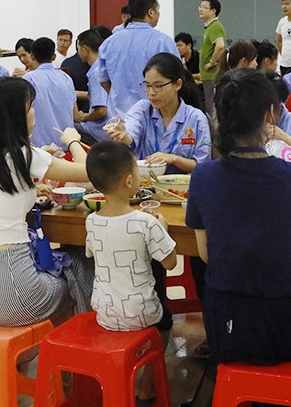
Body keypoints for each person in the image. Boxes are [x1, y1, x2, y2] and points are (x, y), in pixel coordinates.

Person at [183, 68, 291, 407]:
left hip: (225, 330)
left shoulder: (202, 176)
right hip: (290, 329)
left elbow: (206, 255)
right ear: (269, 115)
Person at [0, 77, 93, 327]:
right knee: (80, 264)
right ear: (14, 115)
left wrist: (31, 186)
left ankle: (39, 345)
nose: (34, 113)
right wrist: (73, 140)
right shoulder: (26, 156)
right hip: (15, 293)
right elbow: (90, 171)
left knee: (62, 265)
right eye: (31, 107)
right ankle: (75, 342)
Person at [84, 141, 177, 404]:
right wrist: (163, 229)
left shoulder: (91, 221)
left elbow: (91, 252)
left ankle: (117, 375)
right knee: (165, 323)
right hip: (141, 313)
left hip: (104, 312)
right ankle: (146, 386)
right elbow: (170, 263)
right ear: (129, 181)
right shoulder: (146, 222)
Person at [105, 53, 211, 174]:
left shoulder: (196, 118)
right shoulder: (142, 109)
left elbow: (203, 165)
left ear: (178, 84)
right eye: (147, 85)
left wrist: (174, 159)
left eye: (158, 86)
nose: (151, 92)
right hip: (145, 183)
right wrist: (123, 135)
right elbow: (130, 134)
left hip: (182, 184)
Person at [98, 0, 181, 120]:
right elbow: (177, 78)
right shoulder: (163, 42)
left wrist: (119, 95)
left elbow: (103, 81)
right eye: (158, 10)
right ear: (151, 12)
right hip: (155, 117)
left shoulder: (108, 43)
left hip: (118, 118)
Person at [23, 37, 78, 148]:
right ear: (54, 56)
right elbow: (74, 113)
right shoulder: (66, 78)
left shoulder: (29, 79)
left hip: (41, 147)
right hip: (67, 144)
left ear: (32, 56)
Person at [74, 28, 110, 143]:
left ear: (85, 48)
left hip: (98, 131)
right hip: (108, 127)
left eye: (78, 48)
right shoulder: (104, 66)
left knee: (68, 129)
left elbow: (101, 110)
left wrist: (83, 117)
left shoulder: (96, 73)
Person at [197, 0, 226, 116]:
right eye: (200, 7)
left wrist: (212, 62)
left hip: (212, 75)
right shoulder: (209, 27)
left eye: (204, 7)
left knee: (212, 108)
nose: (201, 9)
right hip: (207, 76)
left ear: (213, 11)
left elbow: (220, 46)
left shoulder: (215, 26)